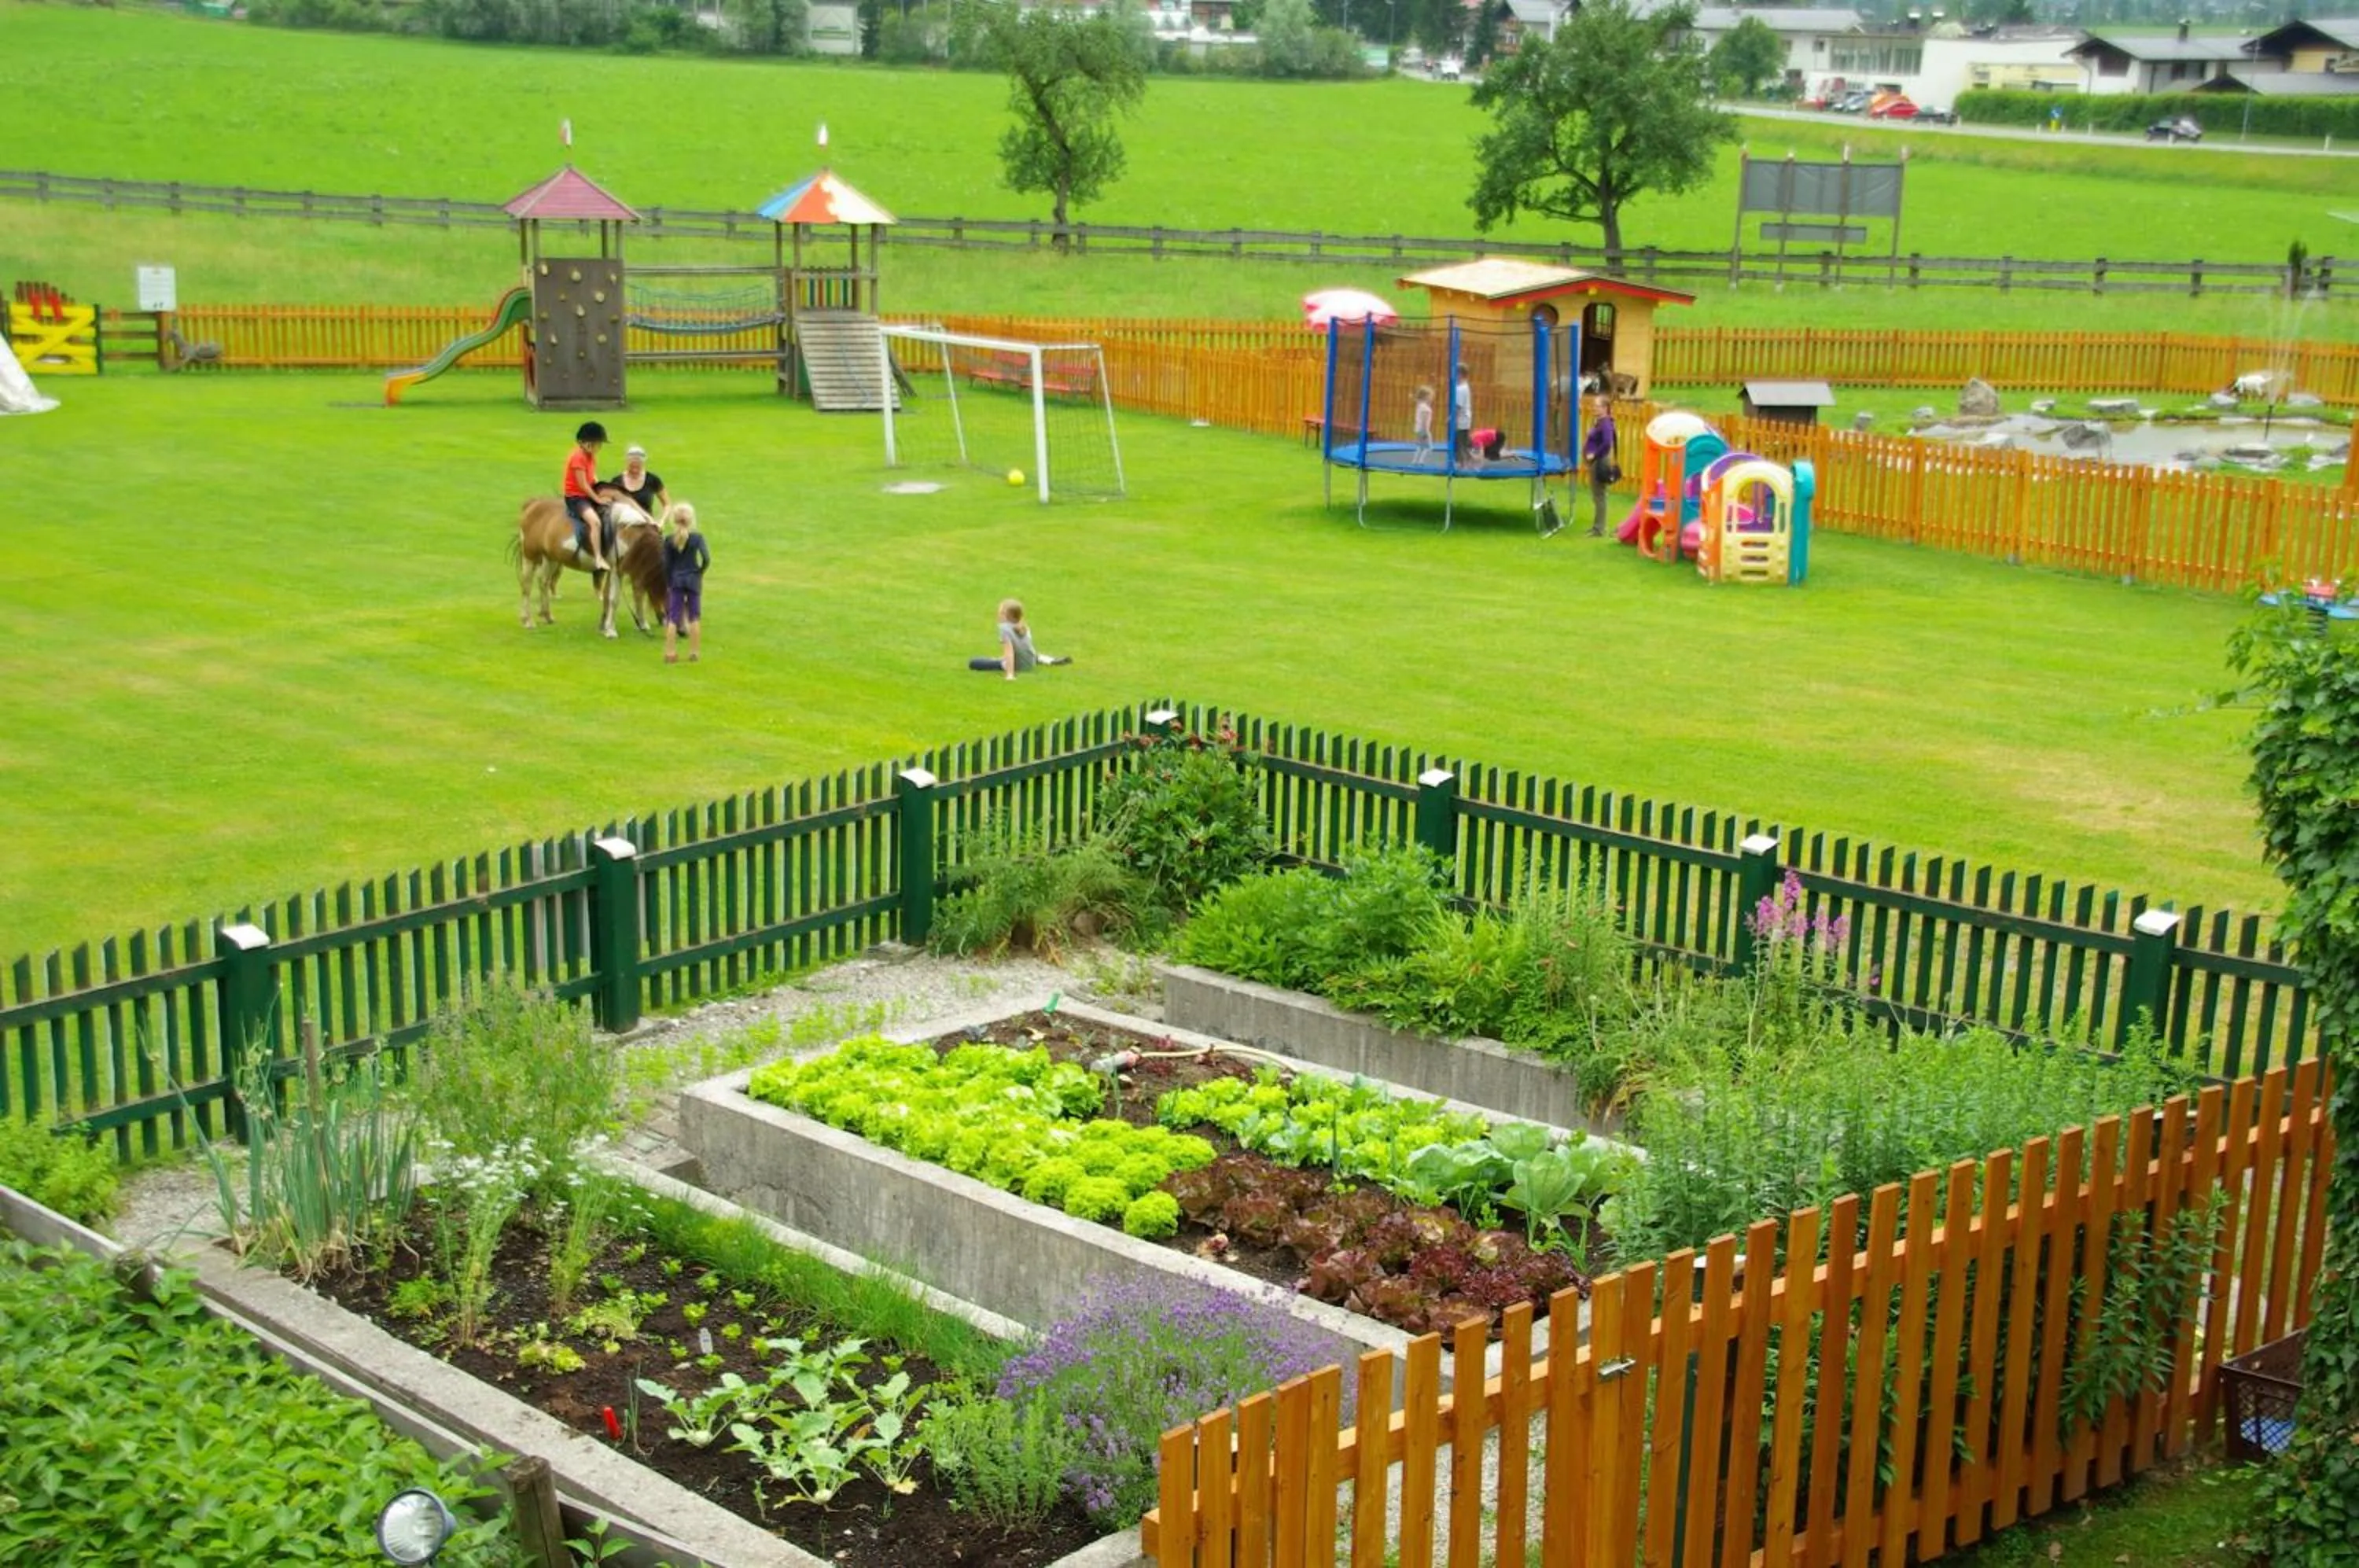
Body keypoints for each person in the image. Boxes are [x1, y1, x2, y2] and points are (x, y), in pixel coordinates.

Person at [969, 598, 1073, 680]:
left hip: (1018, 666)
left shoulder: (1004, 629)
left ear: (1005, 616)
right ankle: (1049, 660)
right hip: (1030, 661)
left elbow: (1009, 652)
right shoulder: (1023, 626)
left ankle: (1002, 663)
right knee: (1026, 653)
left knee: (974, 662)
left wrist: (1010, 674)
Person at [661, 502, 710, 664]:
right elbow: (706, 559)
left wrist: (669, 581)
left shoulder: (669, 540)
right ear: (691, 520)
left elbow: (666, 564)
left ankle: (670, 652)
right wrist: (700, 572)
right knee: (694, 616)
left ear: (674, 520)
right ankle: (694, 652)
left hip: (676, 580)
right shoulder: (698, 538)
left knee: (673, 617)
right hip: (693, 579)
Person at [562, 421, 611, 573]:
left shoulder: (590, 456)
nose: (600, 447)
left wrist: (602, 487)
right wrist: (598, 499)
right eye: (598, 443)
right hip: (576, 498)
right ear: (589, 443)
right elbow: (583, 485)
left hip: (586, 494)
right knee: (595, 522)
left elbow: (592, 477)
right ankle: (597, 557)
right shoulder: (578, 458)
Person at [1582, 396, 1620, 537]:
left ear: (1605, 408)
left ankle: (1599, 529)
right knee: (1597, 495)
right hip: (1597, 461)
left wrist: (1594, 455)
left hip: (1600, 462)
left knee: (1599, 495)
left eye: (1597, 406)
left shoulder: (1605, 424)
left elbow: (1607, 443)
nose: (1594, 408)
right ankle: (1597, 527)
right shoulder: (1600, 422)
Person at [604, 444, 669, 522]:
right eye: (632, 467)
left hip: (647, 524)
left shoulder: (652, 480)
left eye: (638, 467)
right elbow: (608, 505)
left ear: (643, 464)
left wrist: (661, 521)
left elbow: (667, 505)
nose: (634, 470)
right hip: (624, 525)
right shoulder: (617, 482)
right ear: (626, 463)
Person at [1452, 367, 1474, 465]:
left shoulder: (1460, 389)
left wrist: (1453, 419)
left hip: (1462, 420)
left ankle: (1462, 465)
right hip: (1465, 418)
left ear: (1460, 374)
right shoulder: (1464, 386)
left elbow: (1458, 407)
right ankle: (1468, 462)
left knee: (1460, 443)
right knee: (1462, 443)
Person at [1411, 384, 1437, 462]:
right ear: (1426, 397)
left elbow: (1418, 400)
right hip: (1424, 430)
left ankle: (1414, 461)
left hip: (1418, 429)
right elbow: (1424, 421)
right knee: (1427, 447)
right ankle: (1420, 462)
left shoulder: (1420, 405)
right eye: (1431, 397)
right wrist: (1425, 433)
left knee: (1420, 446)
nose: (1432, 399)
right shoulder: (1426, 408)